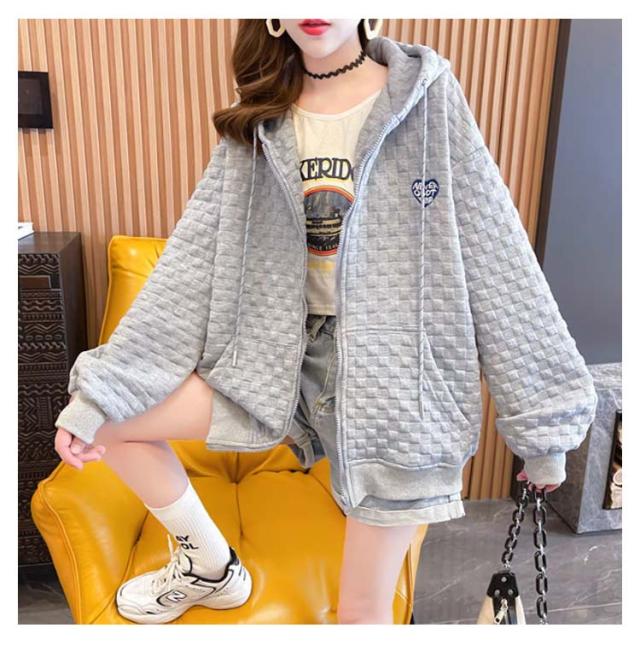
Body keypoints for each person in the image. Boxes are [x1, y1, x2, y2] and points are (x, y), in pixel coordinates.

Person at [53, 19, 597, 625]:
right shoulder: (260, 114)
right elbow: (190, 264)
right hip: (275, 361)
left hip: (396, 382)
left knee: (360, 617)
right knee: (109, 422)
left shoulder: (425, 98)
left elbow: (497, 253)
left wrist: (544, 428)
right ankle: (209, 565)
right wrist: (103, 392)